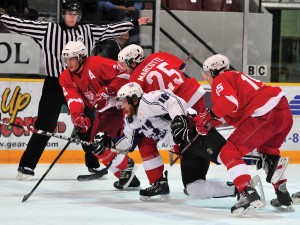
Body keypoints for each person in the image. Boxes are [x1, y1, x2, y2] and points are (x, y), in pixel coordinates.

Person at [0, 0, 151, 180]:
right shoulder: (48, 30)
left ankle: (93, 164)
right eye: (69, 14)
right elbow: (23, 25)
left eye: (75, 14)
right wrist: (2, 17)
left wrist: (132, 23)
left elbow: (109, 29)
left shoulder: (87, 31)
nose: (72, 17)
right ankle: (26, 166)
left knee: (87, 125)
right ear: (63, 14)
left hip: (80, 83)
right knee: (44, 126)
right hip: (55, 84)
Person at [117, 44, 231, 200]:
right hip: (194, 93)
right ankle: (195, 180)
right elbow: (181, 67)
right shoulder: (159, 55)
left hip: (177, 102)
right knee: (189, 137)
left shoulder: (135, 80)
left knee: (147, 143)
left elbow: (150, 103)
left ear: (133, 62)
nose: (124, 69)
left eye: (125, 64)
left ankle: (160, 182)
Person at [93, 82, 237, 201]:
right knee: (193, 188)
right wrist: (109, 143)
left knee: (229, 156)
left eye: (124, 102)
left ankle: (248, 189)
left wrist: (178, 118)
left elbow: (173, 101)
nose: (122, 107)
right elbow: (128, 143)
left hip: (196, 133)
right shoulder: (131, 119)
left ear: (134, 100)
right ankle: (236, 189)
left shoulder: (148, 100)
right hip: (185, 147)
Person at [194, 54, 294, 215]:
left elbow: (228, 103)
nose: (205, 77)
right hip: (283, 114)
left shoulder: (221, 80)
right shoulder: (236, 76)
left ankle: (247, 192)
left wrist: (207, 116)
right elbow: (230, 111)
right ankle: (283, 195)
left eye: (206, 73)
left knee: (229, 152)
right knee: (269, 154)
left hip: (265, 115)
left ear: (213, 71)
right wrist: (210, 120)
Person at [59, 41, 140, 189]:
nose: (68, 63)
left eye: (72, 58)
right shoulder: (65, 77)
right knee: (95, 146)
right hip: (103, 111)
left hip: (119, 106)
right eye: (66, 59)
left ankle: (126, 168)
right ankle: (128, 178)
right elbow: (73, 98)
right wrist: (77, 116)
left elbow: (124, 74)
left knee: (100, 144)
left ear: (82, 57)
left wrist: (108, 90)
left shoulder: (96, 63)